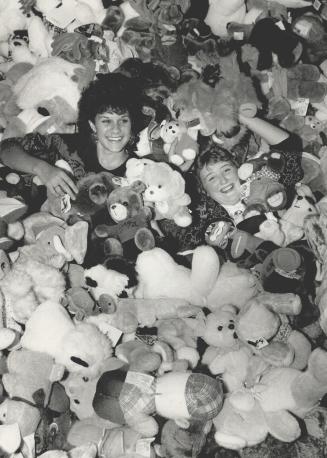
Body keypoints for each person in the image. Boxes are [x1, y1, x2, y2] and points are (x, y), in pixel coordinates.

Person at [159, 115, 304, 253]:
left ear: (239, 169)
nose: (223, 180)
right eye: (211, 178)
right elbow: (171, 227)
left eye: (227, 170)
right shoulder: (204, 216)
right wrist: (174, 172)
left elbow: (290, 146)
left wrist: (240, 114)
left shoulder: (260, 182)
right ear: (205, 190)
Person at [0, 72, 147, 203]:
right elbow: (6, 149)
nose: (116, 129)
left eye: (123, 120)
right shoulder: (66, 145)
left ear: (132, 124)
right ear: (93, 125)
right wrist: (42, 168)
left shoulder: (141, 172)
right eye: (106, 120)